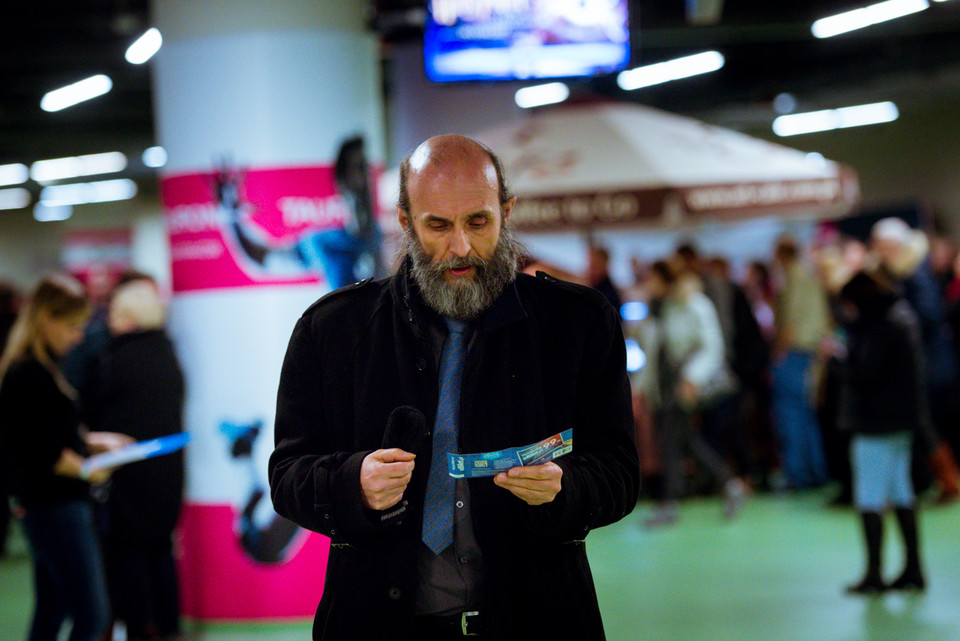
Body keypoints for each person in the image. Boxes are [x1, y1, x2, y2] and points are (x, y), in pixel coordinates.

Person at [268, 134, 640, 641]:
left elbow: (617, 471)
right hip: (378, 622)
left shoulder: (578, 324)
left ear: (507, 212)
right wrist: (351, 483)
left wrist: (566, 488)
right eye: (438, 226)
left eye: (479, 222)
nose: (460, 246)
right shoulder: (332, 330)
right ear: (405, 222)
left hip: (539, 618)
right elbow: (289, 475)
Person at [0, 274, 129, 641]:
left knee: (52, 610)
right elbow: (41, 450)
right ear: (45, 320)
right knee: (92, 614)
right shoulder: (28, 372)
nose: (77, 337)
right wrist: (92, 471)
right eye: (72, 326)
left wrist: (96, 442)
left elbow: (50, 432)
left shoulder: (40, 367)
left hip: (50, 505)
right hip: (54, 507)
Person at [81, 279, 186, 641]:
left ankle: (139, 627)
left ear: (127, 317)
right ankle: (169, 626)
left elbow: (93, 409)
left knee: (127, 552)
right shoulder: (168, 351)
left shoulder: (114, 357)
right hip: (168, 467)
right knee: (160, 547)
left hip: (128, 468)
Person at [837, 271, 927, 594]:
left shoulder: (879, 326)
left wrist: (840, 356)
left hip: (877, 423)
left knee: (870, 496)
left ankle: (875, 572)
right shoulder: (901, 317)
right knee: (902, 491)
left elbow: (864, 371)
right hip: (901, 422)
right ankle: (913, 568)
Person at [640, 260, 746, 527]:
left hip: (683, 385)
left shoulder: (694, 304)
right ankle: (729, 484)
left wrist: (692, 378)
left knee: (672, 444)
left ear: (666, 281)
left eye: (652, 278)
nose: (647, 284)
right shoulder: (662, 307)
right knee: (684, 441)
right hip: (664, 387)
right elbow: (654, 352)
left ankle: (669, 505)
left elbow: (713, 347)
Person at [771, 236, 831, 490]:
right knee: (806, 415)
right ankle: (815, 471)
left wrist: (779, 351)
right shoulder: (809, 275)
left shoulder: (792, 277)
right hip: (810, 352)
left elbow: (790, 321)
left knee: (791, 414)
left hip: (795, 352)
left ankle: (799, 475)